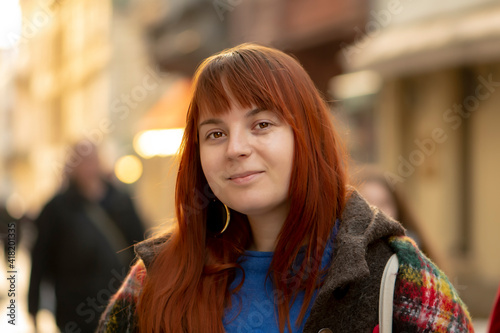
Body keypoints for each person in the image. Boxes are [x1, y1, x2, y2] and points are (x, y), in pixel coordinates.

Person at [97, 44, 473, 332]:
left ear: (305, 135)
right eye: (215, 133)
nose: (236, 148)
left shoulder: (394, 275)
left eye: (261, 124)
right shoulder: (156, 279)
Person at [28, 141, 145, 332]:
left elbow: (141, 245)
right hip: (75, 311)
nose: (88, 166)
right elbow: (40, 259)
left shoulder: (121, 200)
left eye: (92, 159)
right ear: (71, 166)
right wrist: (33, 307)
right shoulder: (56, 208)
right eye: (81, 161)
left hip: (121, 304)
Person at [355, 166, 442, 266]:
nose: (376, 211)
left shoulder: (416, 256)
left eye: (383, 203)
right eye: (367, 203)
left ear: (397, 208)